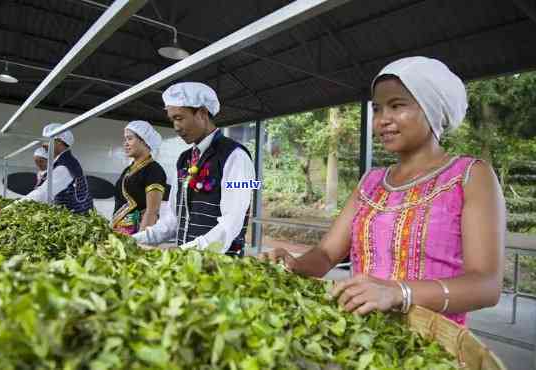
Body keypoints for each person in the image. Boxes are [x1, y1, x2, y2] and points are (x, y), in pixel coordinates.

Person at [261, 56, 505, 325]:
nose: (381, 120)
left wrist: (398, 291)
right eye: (377, 109)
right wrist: (294, 264)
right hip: (363, 332)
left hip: (432, 343)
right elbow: (327, 254)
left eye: (396, 106)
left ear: (432, 109)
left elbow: (486, 285)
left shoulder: (470, 176)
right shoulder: (372, 182)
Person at [132, 82, 256, 257]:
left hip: (220, 267)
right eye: (172, 120)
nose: (175, 127)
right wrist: (135, 239)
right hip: (187, 262)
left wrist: (186, 252)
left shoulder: (236, 157)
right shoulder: (184, 160)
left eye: (179, 118)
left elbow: (232, 221)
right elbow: (174, 218)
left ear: (202, 113)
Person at [17, 123, 94, 214]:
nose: (43, 145)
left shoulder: (64, 166)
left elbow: (42, 194)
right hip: (72, 216)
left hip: (77, 217)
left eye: (47, 140)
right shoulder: (63, 162)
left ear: (59, 142)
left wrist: (10, 209)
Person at [112, 120, 168, 235]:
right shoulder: (128, 170)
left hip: (137, 233)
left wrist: (140, 242)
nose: (125, 143)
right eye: (125, 139)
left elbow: (152, 212)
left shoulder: (154, 171)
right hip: (120, 231)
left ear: (144, 141)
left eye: (130, 138)